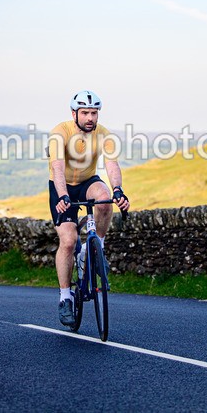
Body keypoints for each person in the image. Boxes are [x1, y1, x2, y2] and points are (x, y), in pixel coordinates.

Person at [47, 90, 130, 326]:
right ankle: (65, 298)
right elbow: (58, 168)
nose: (90, 118)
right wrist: (63, 196)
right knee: (69, 240)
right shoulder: (59, 133)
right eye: (85, 113)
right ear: (74, 113)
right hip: (61, 186)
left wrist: (118, 190)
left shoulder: (104, 134)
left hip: (87, 181)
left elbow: (112, 165)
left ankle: (96, 249)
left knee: (104, 199)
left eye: (94, 113)